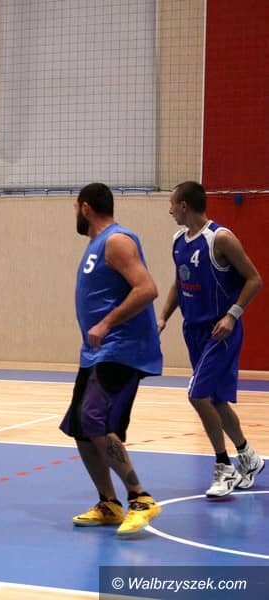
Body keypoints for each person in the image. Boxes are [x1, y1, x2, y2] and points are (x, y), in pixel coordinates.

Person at [61, 183, 163, 537]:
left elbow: (147, 288)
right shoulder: (95, 245)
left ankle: (140, 498)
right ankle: (109, 503)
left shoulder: (117, 240)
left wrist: (106, 323)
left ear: (86, 208)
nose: (75, 214)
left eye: (75, 208)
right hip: (95, 353)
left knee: (95, 419)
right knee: (80, 426)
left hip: (121, 349)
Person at [157, 181, 264, 497]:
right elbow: (180, 282)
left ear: (185, 205)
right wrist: (163, 317)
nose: (170, 210)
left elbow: (255, 279)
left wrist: (232, 315)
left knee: (197, 395)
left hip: (221, 331)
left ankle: (224, 466)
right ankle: (248, 457)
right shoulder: (179, 241)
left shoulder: (220, 238)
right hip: (193, 331)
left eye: (172, 204)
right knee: (215, 400)